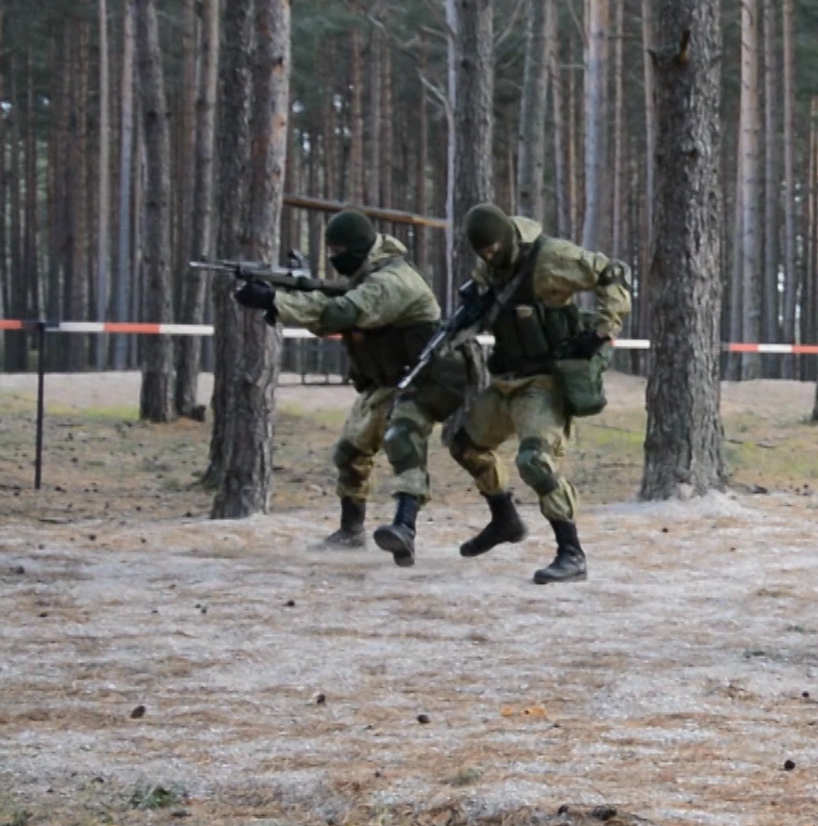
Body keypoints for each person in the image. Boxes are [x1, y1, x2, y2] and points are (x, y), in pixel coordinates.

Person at [229, 210, 469, 564]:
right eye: (331, 249)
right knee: (350, 454)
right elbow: (328, 312)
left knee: (402, 444)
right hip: (385, 382)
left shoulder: (391, 281)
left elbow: (339, 314)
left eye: (340, 249)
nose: (334, 257)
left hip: (422, 380)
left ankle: (405, 529)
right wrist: (284, 295)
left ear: (358, 248)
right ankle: (351, 532)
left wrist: (276, 301)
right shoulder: (364, 276)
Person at [444, 203, 632, 585]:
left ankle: (571, 553)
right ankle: (504, 519)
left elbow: (611, 273)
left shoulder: (551, 258)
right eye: (482, 252)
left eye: (494, 250)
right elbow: (481, 300)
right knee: (465, 446)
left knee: (535, 461)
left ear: (508, 238)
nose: (489, 257)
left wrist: (602, 329)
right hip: (505, 382)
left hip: (544, 382)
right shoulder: (488, 268)